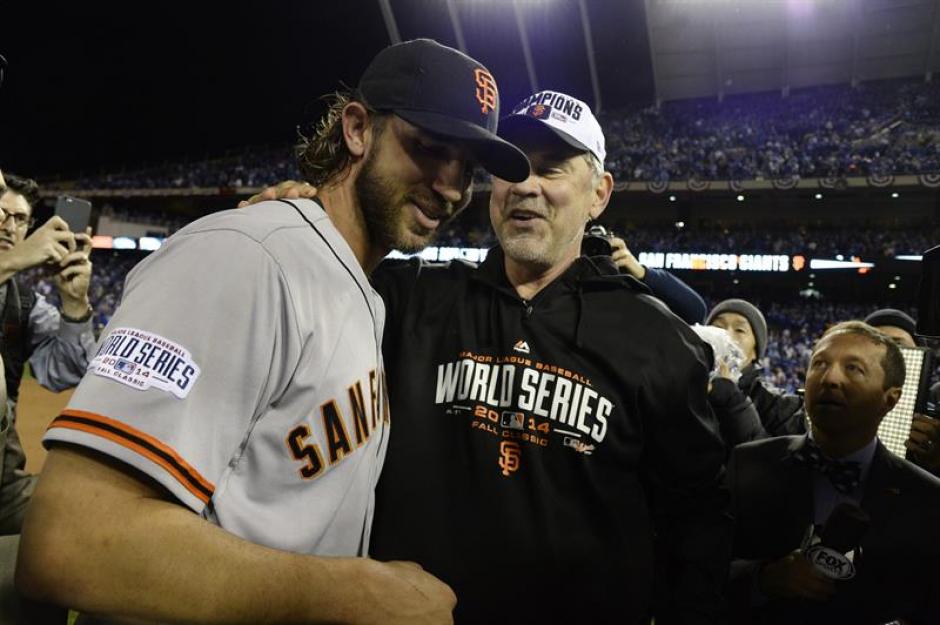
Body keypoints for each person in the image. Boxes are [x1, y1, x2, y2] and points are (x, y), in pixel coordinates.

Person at [16, 39, 529, 625]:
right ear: (358, 129)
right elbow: (71, 540)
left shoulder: (364, 288)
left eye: (468, 167)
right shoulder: (244, 257)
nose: (450, 186)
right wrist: (349, 594)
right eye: (431, 148)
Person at [249, 89, 731, 624]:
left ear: (598, 194)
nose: (526, 186)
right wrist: (297, 224)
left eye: (552, 170)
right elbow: (318, 260)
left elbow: (697, 529)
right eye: (512, 170)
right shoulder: (406, 297)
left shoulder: (658, 340)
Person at [727, 321, 940, 624]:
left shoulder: (927, 498)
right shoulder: (747, 464)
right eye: (820, 364)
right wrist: (762, 579)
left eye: (854, 369)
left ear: (890, 399)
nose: (830, 378)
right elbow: (698, 570)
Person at [0, 174, 96, 535]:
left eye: (20, 219)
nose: (9, 227)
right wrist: (13, 262)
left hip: (3, 486)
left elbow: (65, 373)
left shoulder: (24, 303)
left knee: (89, 512)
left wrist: (74, 302)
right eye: (1, 213)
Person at [708, 298, 805, 436]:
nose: (727, 335)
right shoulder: (685, 391)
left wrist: (733, 402)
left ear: (755, 351)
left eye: (740, 330)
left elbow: (775, 455)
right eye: (717, 328)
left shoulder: (780, 406)